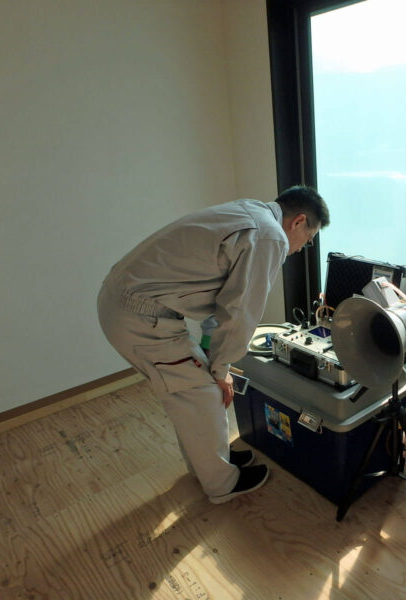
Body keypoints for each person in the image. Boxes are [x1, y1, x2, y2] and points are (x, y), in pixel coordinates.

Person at [97, 185, 330, 503]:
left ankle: (207, 466)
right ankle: (222, 484)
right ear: (299, 221)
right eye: (309, 238)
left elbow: (222, 299)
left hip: (126, 301)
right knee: (202, 393)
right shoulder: (270, 236)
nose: (303, 248)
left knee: (188, 394)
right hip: (140, 314)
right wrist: (221, 370)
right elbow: (240, 313)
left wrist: (213, 358)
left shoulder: (250, 211)